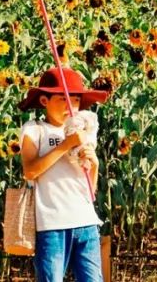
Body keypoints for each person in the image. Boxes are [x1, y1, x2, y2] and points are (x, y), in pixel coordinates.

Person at [18, 66, 110, 282]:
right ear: (44, 101)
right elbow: (30, 171)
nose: (72, 106)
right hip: (52, 225)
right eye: (63, 99)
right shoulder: (34, 129)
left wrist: (94, 165)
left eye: (76, 100)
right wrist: (65, 145)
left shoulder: (83, 131)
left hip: (86, 223)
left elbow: (89, 190)